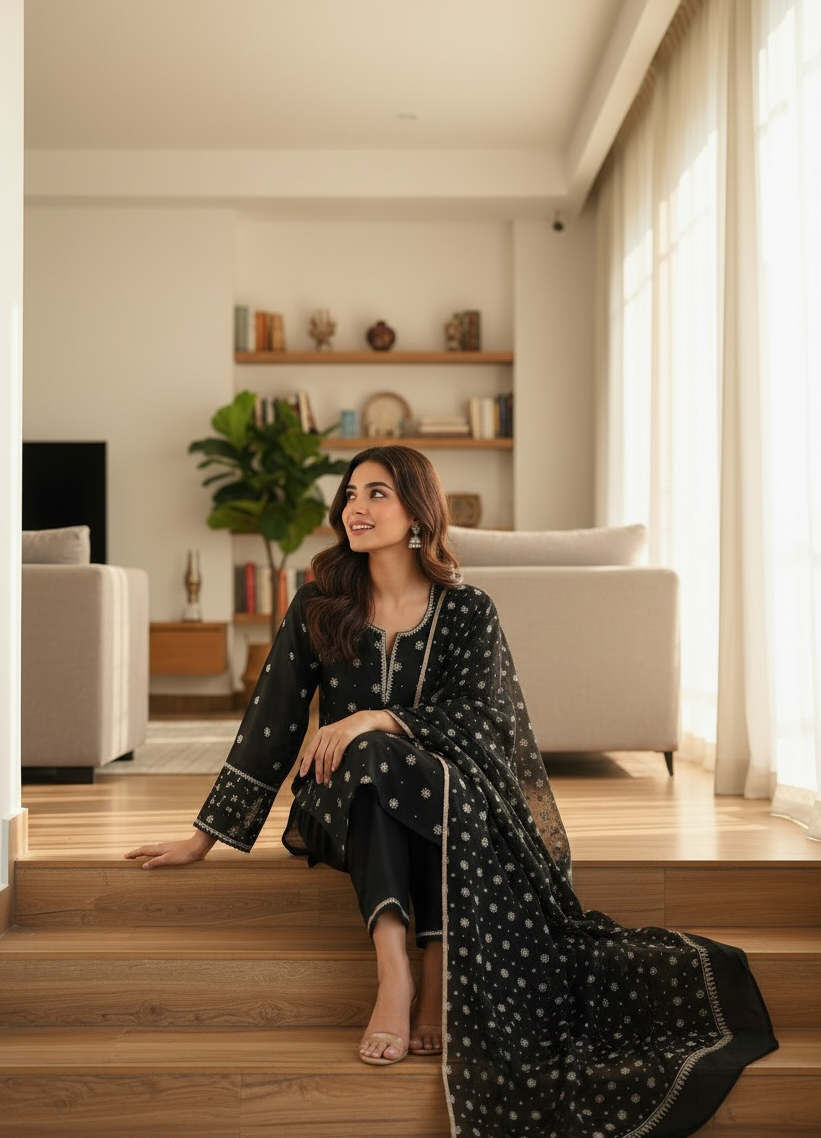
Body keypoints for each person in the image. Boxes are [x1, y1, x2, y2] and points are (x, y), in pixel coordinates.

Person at [127, 445, 777, 1138]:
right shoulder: (320, 604)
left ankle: (436, 967)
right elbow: (273, 719)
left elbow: (488, 721)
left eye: (377, 493)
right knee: (374, 765)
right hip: (336, 805)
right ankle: (399, 973)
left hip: (448, 802)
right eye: (350, 493)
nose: (355, 506)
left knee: (400, 758)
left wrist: (380, 715)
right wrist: (204, 836)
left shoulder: (468, 611)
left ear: (417, 510)